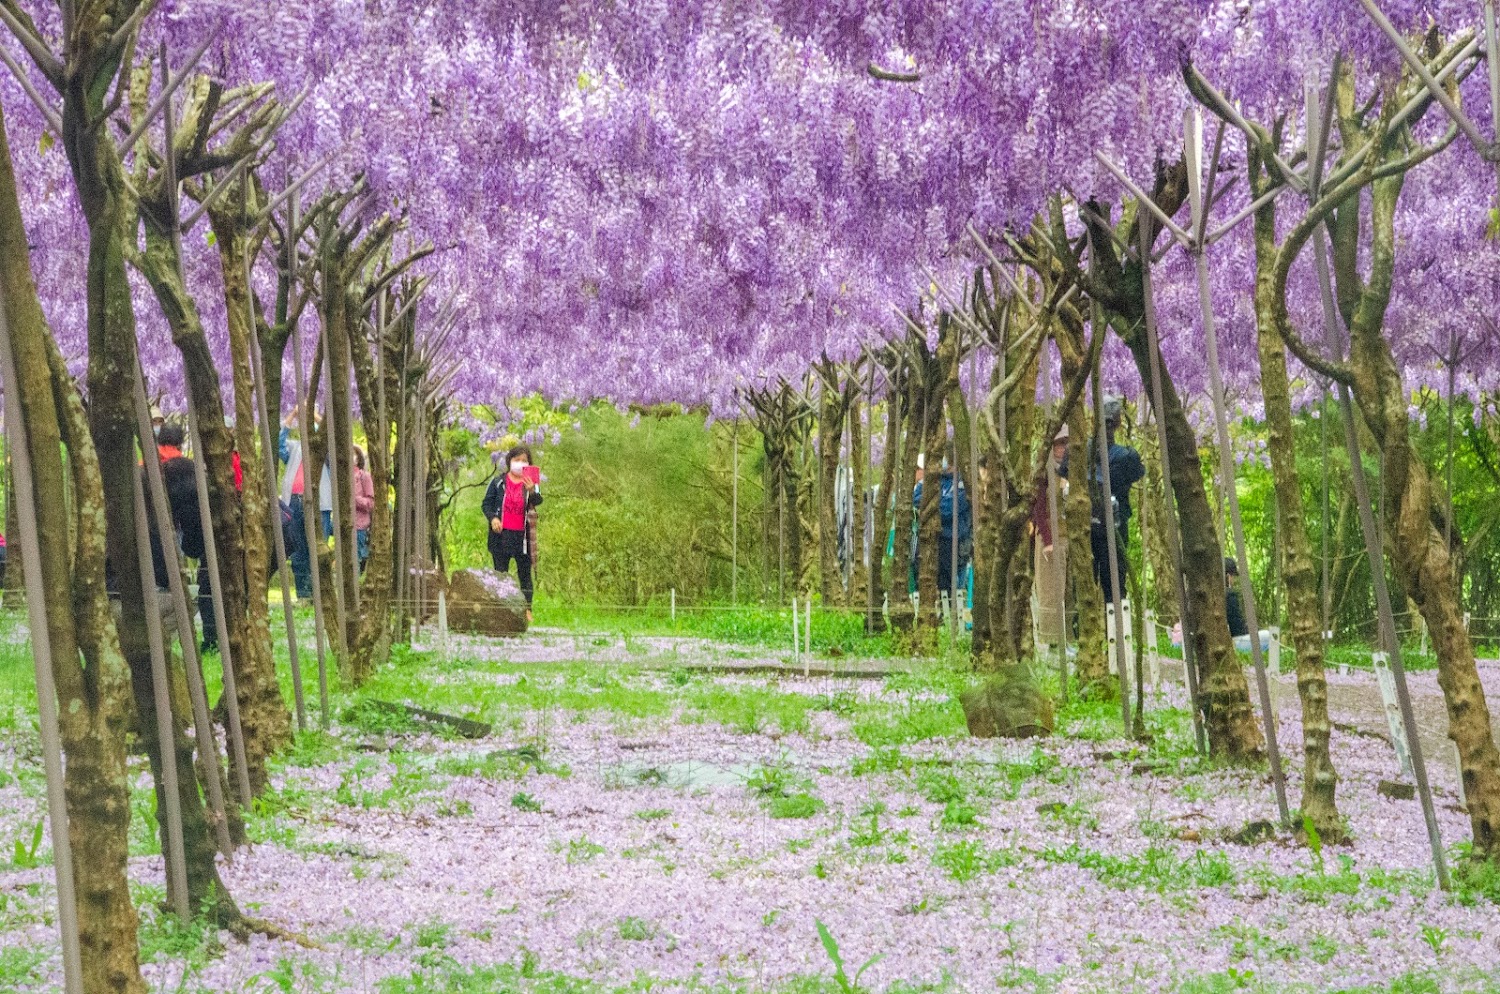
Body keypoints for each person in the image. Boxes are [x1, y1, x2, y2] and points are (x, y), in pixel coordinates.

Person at [1061, 397, 1144, 604]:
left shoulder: (1076, 450)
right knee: (1112, 585)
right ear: (1118, 423)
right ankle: (1114, 629)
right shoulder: (1127, 456)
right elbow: (1137, 472)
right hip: (1105, 526)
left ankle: (1089, 630)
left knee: (1088, 582)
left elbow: (1064, 472)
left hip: (1091, 525)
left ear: (1092, 420)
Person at [482, 445, 543, 619]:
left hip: (522, 536)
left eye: (524, 460)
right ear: (509, 461)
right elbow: (486, 504)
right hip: (501, 535)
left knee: (525, 574)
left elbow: (538, 500)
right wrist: (493, 518)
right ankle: (501, 609)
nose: (520, 463)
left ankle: (527, 609)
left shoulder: (531, 483)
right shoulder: (498, 482)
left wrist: (532, 489)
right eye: (517, 460)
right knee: (500, 573)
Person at [279, 410, 332, 600]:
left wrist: (316, 415)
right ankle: (303, 594)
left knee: (317, 547)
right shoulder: (295, 448)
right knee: (297, 549)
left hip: (319, 503)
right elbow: (278, 445)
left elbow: (335, 441)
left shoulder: (325, 452)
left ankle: (319, 594)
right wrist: (292, 415)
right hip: (294, 502)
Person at [913, 455, 973, 614]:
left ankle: (948, 616)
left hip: (952, 540)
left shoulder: (963, 482)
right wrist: (934, 503)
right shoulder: (932, 480)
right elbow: (917, 497)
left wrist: (931, 504)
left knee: (948, 582)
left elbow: (950, 509)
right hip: (929, 537)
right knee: (924, 577)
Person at [1031, 425, 1070, 648]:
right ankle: (1051, 641)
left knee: (1065, 591)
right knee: (1050, 590)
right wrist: (1047, 540)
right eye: (1059, 444)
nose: (1063, 448)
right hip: (1049, 538)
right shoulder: (1044, 472)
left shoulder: (1070, 471)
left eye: (1066, 443)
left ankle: (1066, 639)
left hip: (1067, 535)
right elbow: (1038, 507)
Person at [1223, 556, 1271, 654]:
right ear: (1228, 576)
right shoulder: (1229, 595)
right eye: (1233, 577)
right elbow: (1237, 630)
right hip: (1233, 643)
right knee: (1269, 635)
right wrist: (1251, 630)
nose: (1233, 580)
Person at [353, 445, 374, 572]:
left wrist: (355, 499)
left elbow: (371, 503)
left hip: (359, 526)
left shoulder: (364, 476)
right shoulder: (340, 478)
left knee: (358, 558)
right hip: (343, 526)